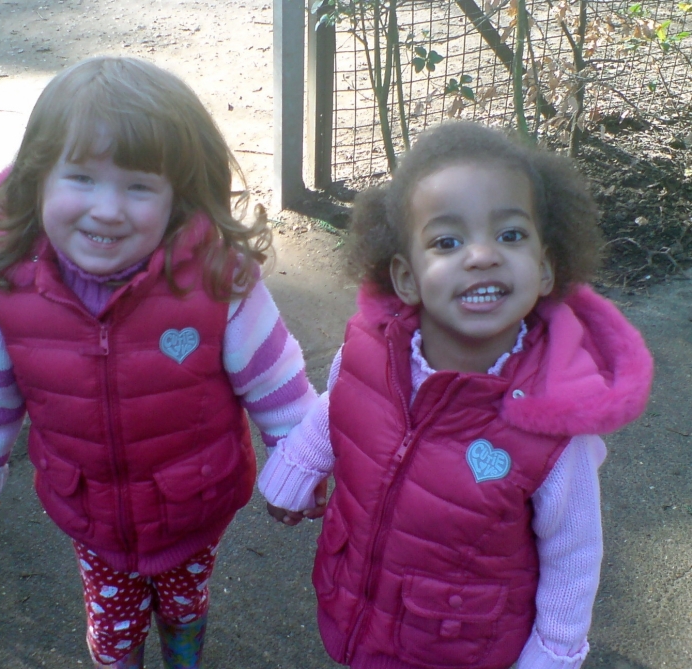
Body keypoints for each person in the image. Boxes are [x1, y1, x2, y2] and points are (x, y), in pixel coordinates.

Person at [0, 56, 317, 669]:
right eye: (81, 178)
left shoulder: (218, 282)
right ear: (37, 178)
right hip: (89, 508)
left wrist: (299, 463)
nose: (108, 209)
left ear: (177, 197)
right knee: (113, 623)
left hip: (193, 503)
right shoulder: (3, 290)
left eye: (139, 186)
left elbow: (275, 380)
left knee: (185, 604)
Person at [258, 121, 653, 669]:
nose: (482, 255)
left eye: (510, 235)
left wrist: (555, 650)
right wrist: (297, 466)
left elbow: (574, 551)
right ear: (406, 278)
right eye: (448, 242)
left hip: (463, 644)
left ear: (544, 268)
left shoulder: (554, 427)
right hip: (359, 600)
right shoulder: (372, 351)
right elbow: (342, 404)